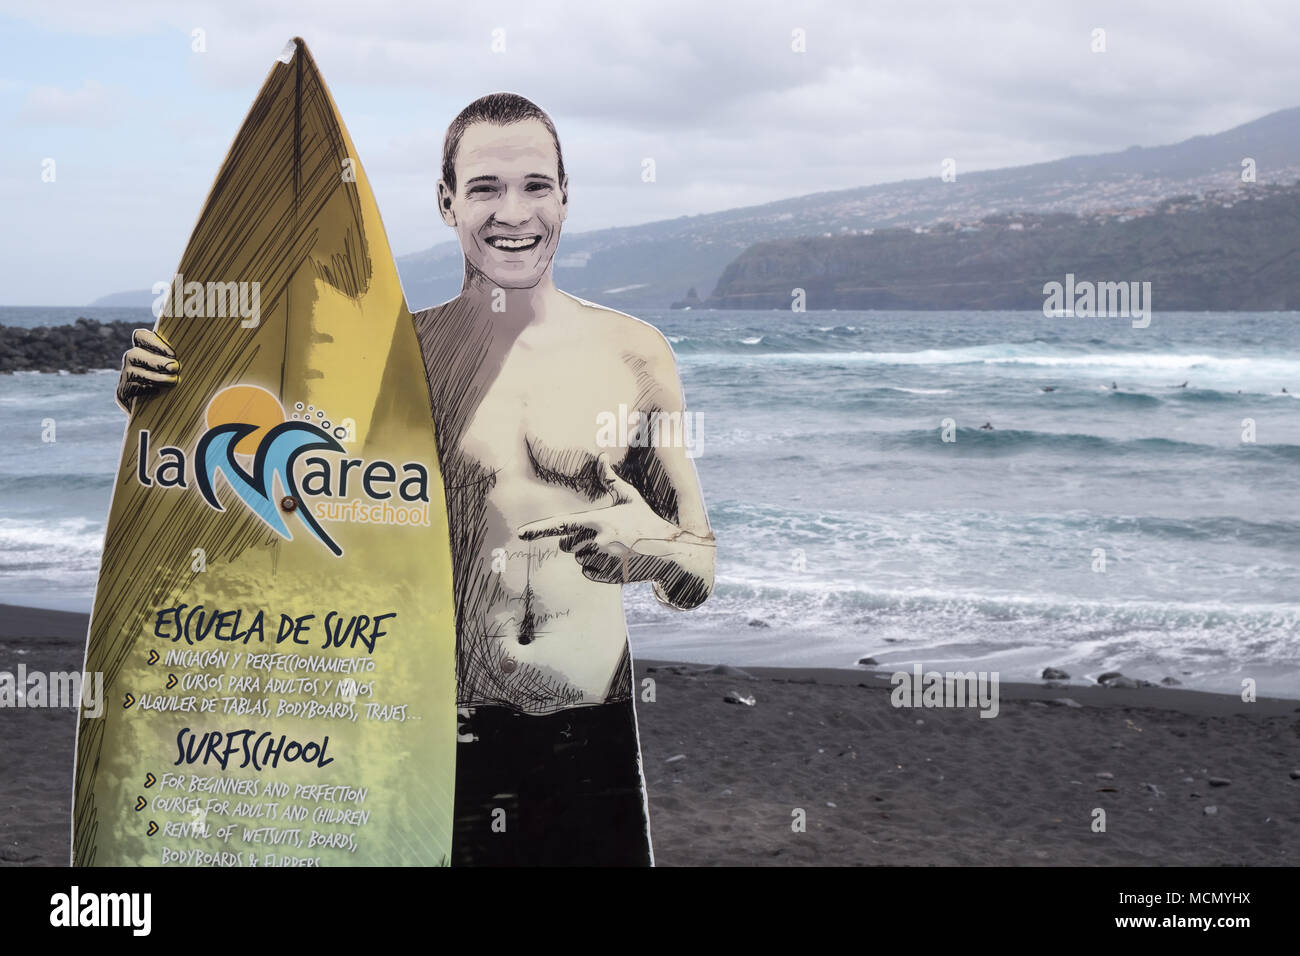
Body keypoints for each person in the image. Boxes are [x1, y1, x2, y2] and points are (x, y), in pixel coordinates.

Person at [117, 92, 715, 866]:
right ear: (446, 203)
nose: (514, 212)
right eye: (485, 188)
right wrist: (157, 402)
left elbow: (698, 569)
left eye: (536, 185)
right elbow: (261, 484)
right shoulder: (397, 364)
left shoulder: (637, 355)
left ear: (566, 197)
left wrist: (648, 549)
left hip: (590, 738)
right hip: (438, 739)